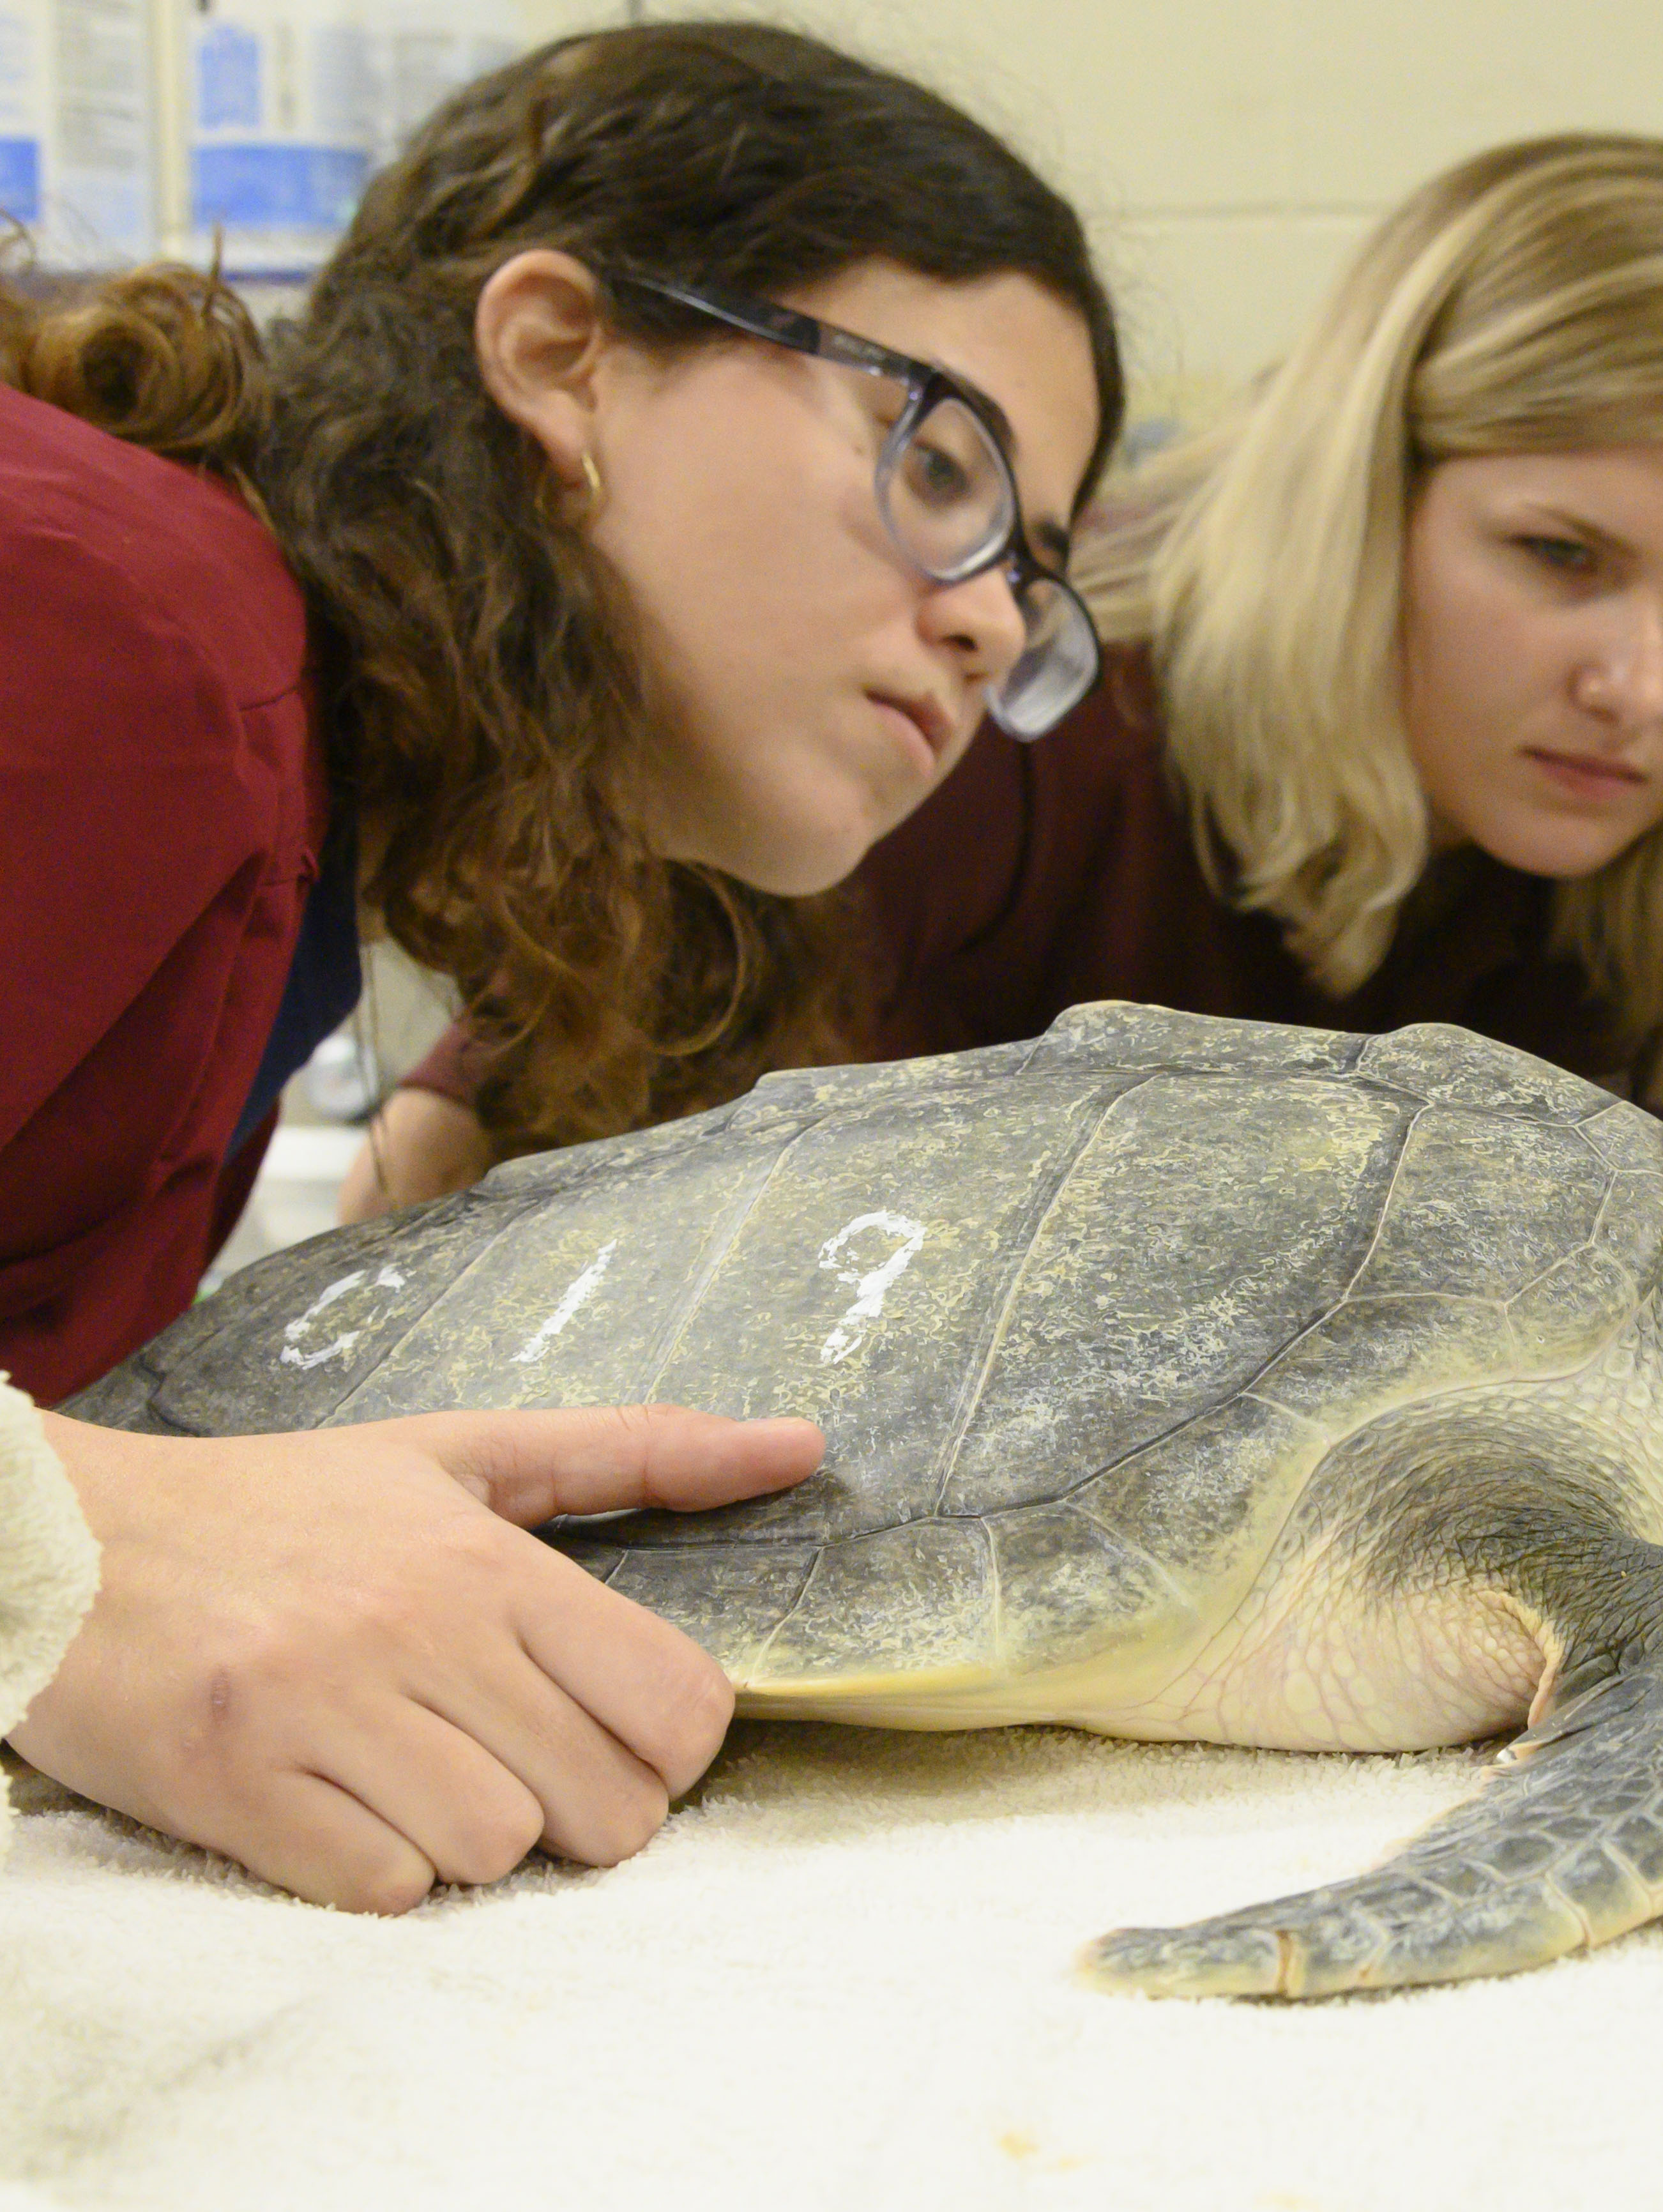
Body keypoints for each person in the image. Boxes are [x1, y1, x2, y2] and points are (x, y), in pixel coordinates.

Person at [1, 22, 1121, 1916]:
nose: (992, 616)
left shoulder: (266, 796)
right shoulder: (121, 636)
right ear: (558, 354)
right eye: (941, 463)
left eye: (1041, 578)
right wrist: (70, 1549)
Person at [348, 133, 1663, 1233]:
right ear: (1365, 505)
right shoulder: (1024, 711)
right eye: (1556, 557)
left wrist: (1575, 1194)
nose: (1638, 685)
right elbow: (557, 1174)